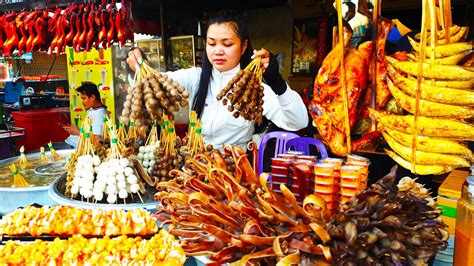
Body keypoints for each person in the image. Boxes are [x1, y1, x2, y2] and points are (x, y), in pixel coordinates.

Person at [127, 13, 309, 150]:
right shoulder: (196, 77)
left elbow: (298, 122)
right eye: (212, 44)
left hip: (234, 173)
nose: (218, 51)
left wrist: (277, 83)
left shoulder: (254, 87)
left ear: (244, 46)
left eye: (227, 44)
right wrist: (139, 64)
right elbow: (159, 82)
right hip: (195, 169)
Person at [63, 82, 108, 148]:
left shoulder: (99, 115)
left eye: (84, 98)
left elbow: (97, 141)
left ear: (93, 97)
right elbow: (90, 133)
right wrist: (78, 129)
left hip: (76, 147)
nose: (82, 102)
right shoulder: (94, 110)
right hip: (73, 143)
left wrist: (77, 132)